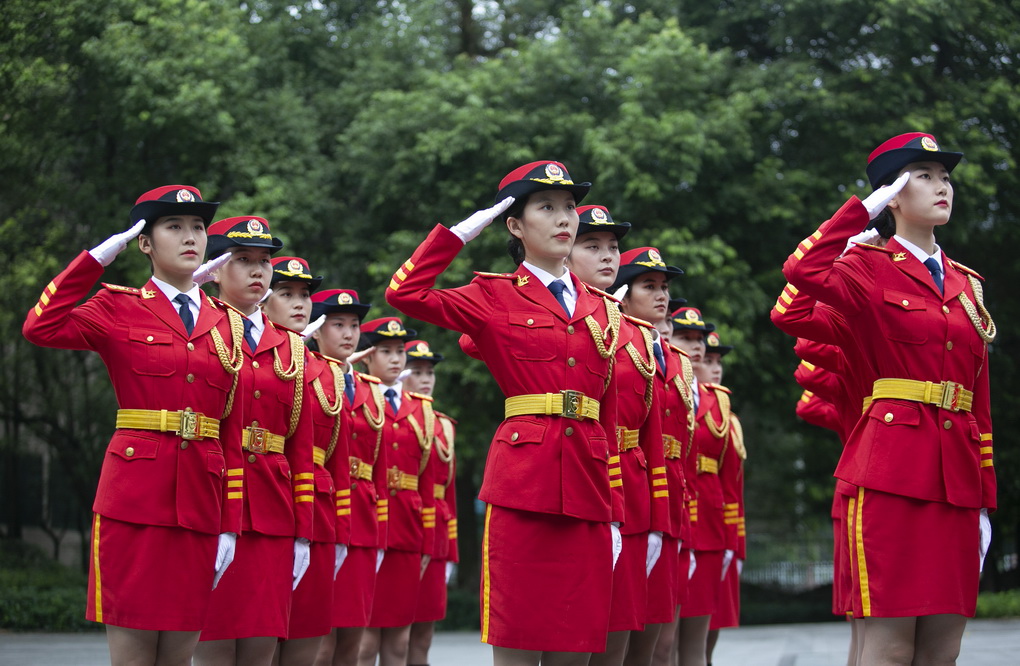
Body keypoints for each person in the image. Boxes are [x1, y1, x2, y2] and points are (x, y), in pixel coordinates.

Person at [386, 160, 622, 666]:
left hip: (588, 481)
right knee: (517, 637)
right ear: (514, 225)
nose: (564, 219)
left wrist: (617, 511)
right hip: (524, 483)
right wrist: (459, 234)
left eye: (569, 208)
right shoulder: (493, 296)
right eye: (546, 208)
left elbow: (613, 417)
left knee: (576, 645)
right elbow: (404, 293)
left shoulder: (604, 309)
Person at [780, 132, 995, 664]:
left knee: (943, 649)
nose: (942, 186)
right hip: (892, 473)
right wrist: (861, 213)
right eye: (924, 176)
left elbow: (979, 399)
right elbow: (800, 276)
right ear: (893, 194)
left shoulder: (968, 287)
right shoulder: (869, 267)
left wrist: (986, 499)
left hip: (958, 478)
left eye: (945, 177)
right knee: (890, 649)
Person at [22, 185, 244, 665]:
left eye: (199, 228)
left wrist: (230, 520)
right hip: (136, 499)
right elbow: (41, 328)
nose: (191, 238)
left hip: (201, 502)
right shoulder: (117, 307)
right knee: (134, 656)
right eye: (174, 227)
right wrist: (94, 261)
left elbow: (230, 426)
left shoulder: (226, 322)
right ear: (144, 243)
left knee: (179, 655)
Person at [195, 217, 315, 666]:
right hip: (211, 499)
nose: (256, 271)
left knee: (261, 644)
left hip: (271, 509)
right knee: (213, 644)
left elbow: (300, 447)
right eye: (242, 260)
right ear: (216, 268)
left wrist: (303, 531)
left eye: (263, 261)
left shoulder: (293, 348)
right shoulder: (200, 331)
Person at [261, 256, 340, 665]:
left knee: (305, 642)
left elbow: (335, 459)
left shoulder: (326, 373)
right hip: (261, 501)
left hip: (316, 515)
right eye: (286, 293)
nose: (299, 304)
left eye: (305, 295)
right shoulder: (246, 353)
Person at [308, 289, 388, 666]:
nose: (348, 333)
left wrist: (382, 536)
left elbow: (381, 468)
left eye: (354, 325)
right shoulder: (306, 376)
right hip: (321, 513)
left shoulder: (372, 391)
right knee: (319, 640)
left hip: (362, 523)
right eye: (337, 324)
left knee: (353, 639)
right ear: (317, 330)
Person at [357, 317, 437, 666]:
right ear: (367, 356)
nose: (395, 359)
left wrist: (429, 542)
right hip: (365, 522)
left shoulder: (421, 410)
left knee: (400, 639)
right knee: (362, 640)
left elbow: (429, 483)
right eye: (385, 351)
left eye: (399, 352)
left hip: (406, 526)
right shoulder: (356, 394)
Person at [403, 339, 460, 666]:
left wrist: (451, 550)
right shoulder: (391, 416)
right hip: (403, 527)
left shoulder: (444, 426)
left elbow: (449, 495)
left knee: (423, 636)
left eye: (430, 372)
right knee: (383, 635)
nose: (426, 378)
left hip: (436, 537)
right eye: (418, 371)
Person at [699, 332, 744, 666]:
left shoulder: (725, 414)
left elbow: (733, 487)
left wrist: (736, 540)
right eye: (707, 360)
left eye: (718, 362)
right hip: (686, 517)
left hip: (713, 521)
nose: (715, 369)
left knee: (710, 619)